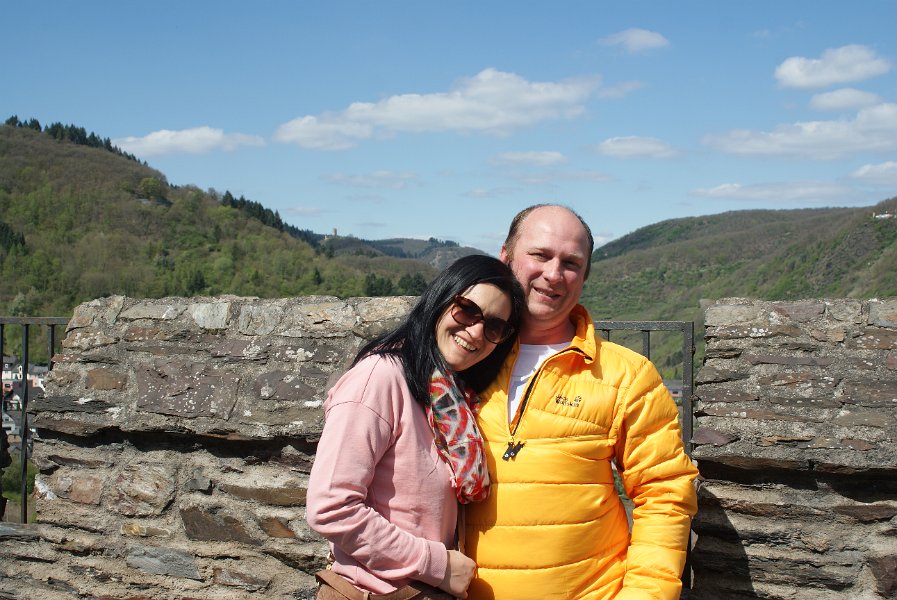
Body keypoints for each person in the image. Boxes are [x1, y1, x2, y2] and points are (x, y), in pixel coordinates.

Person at [464, 205, 700, 600]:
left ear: (585, 275)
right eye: (540, 255)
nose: (554, 274)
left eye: (571, 263)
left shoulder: (626, 375)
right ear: (506, 257)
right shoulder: (463, 359)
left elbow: (664, 493)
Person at [307, 254, 525, 600]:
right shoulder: (380, 378)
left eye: (494, 326)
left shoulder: (450, 396)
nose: (476, 332)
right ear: (441, 299)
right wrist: (436, 564)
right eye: (467, 310)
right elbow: (331, 508)